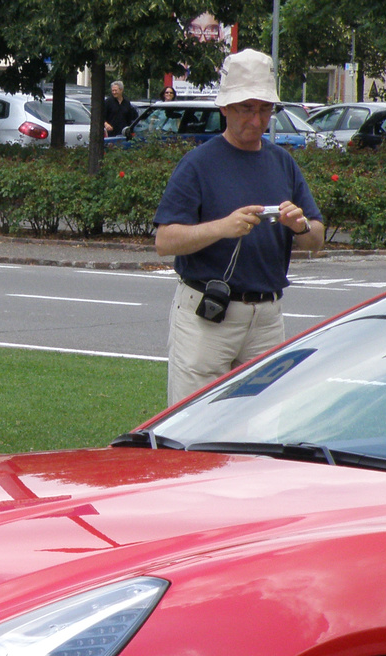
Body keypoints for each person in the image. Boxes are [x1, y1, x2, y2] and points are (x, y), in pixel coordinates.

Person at [154, 49, 325, 403]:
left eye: (265, 109)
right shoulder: (198, 164)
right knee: (193, 426)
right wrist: (222, 228)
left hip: (266, 317)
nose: (257, 119)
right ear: (225, 108)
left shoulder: (283, 164)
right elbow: (165, 240)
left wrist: (300, 227)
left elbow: (317, 237)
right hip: (207, 316)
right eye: (246, 108)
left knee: (262, 426)